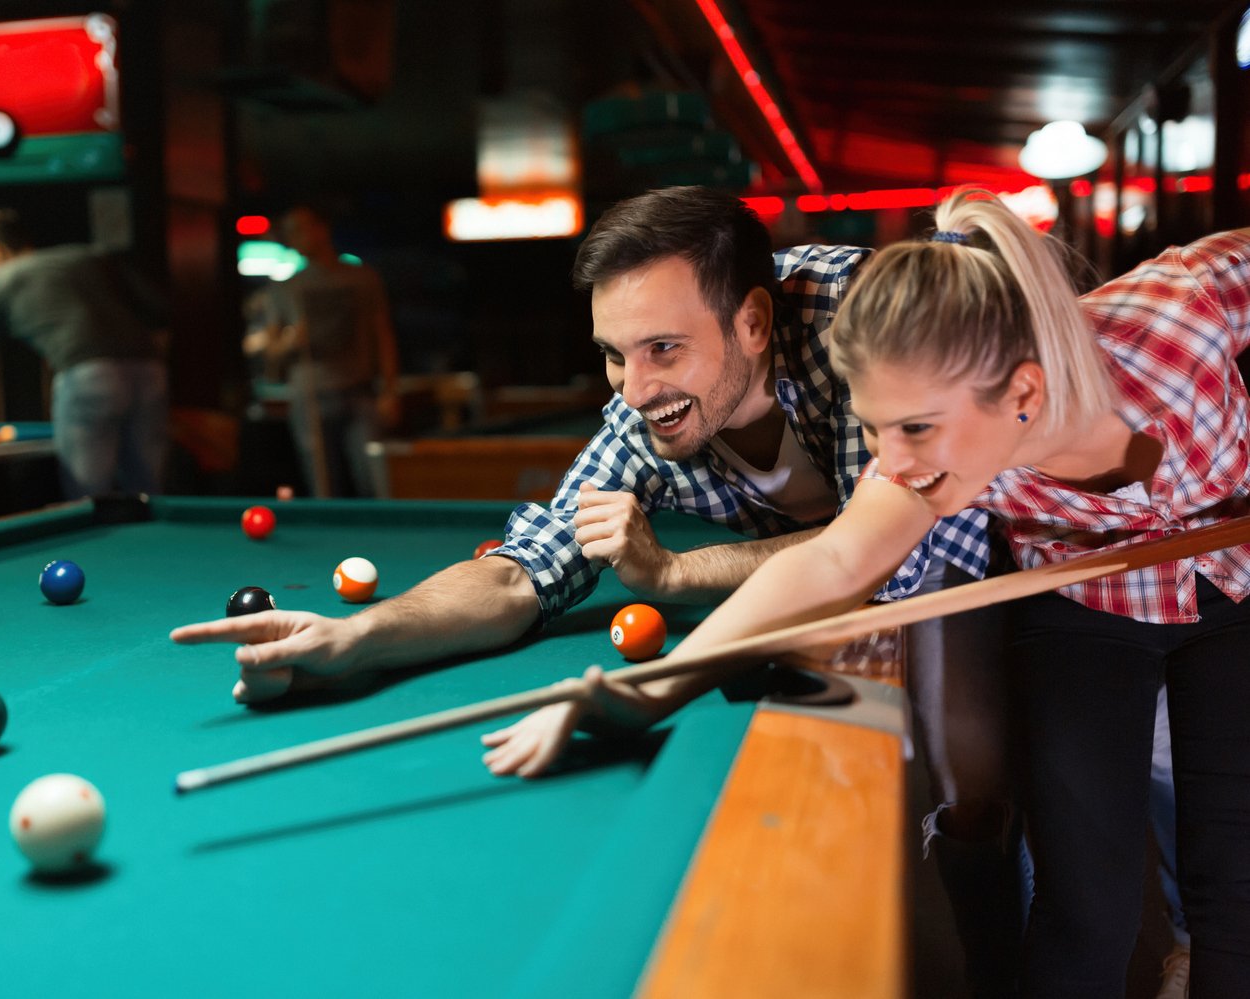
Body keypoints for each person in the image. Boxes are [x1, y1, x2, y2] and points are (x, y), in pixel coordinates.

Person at [177, 187, 1020, 990]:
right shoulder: (646, 411)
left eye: (663, 348)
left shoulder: (867, 326)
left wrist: (678, 576)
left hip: (1029, 528)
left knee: (975, 759)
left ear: (754, 321)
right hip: (864, 560)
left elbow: (876, 559)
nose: (634, 387)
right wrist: (360, 637)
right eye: (614, 354)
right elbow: (524, 570)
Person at [483, 191, 1249, 997]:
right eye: (875, 429)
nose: (891, 462)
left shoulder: (1178, 312)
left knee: (1235, 892)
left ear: (1022, 396)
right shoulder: (921, 453)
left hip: (1233, 591)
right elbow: (828, 563)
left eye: (912, 430)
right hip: (1090, 606)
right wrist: (640, 694)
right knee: (1089, 912)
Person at [0, 209, 170, 499]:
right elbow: (159, 313)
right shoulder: (89, 256)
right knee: (150, 494)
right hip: (152, 371)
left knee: (89, 500)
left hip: (88, 377)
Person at [243, 206, 401, 497]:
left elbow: (383, 334)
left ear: (321, 229)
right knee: (323, 487)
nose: (293, 237)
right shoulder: (285, 287)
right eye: (289, 231)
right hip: (310, 397)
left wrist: (389, 390)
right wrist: (290, 341)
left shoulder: (362, 277)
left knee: (375, 482)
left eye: (299, 228)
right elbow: (264, 348)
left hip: (360, 391)